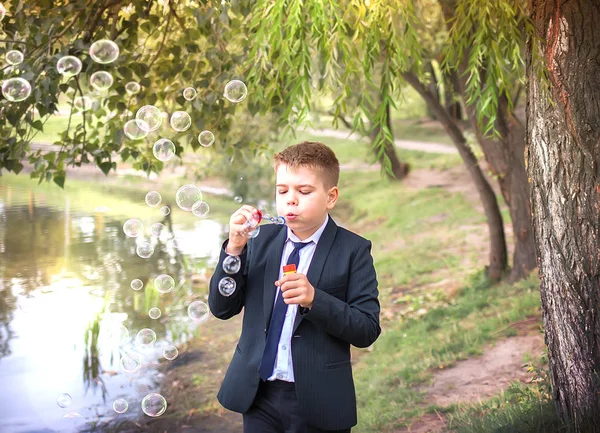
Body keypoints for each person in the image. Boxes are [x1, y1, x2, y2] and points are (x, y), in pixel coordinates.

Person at [208, 141, 381, 433]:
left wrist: (315, 299)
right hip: (258, 395)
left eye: (304, 191)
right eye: (282, 190)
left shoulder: (353, 251)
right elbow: (221, 308)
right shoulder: (259, 241)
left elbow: (366, 329)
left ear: (331, 197)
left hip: (319, 399)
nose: (290, 200)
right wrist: (235, 248)